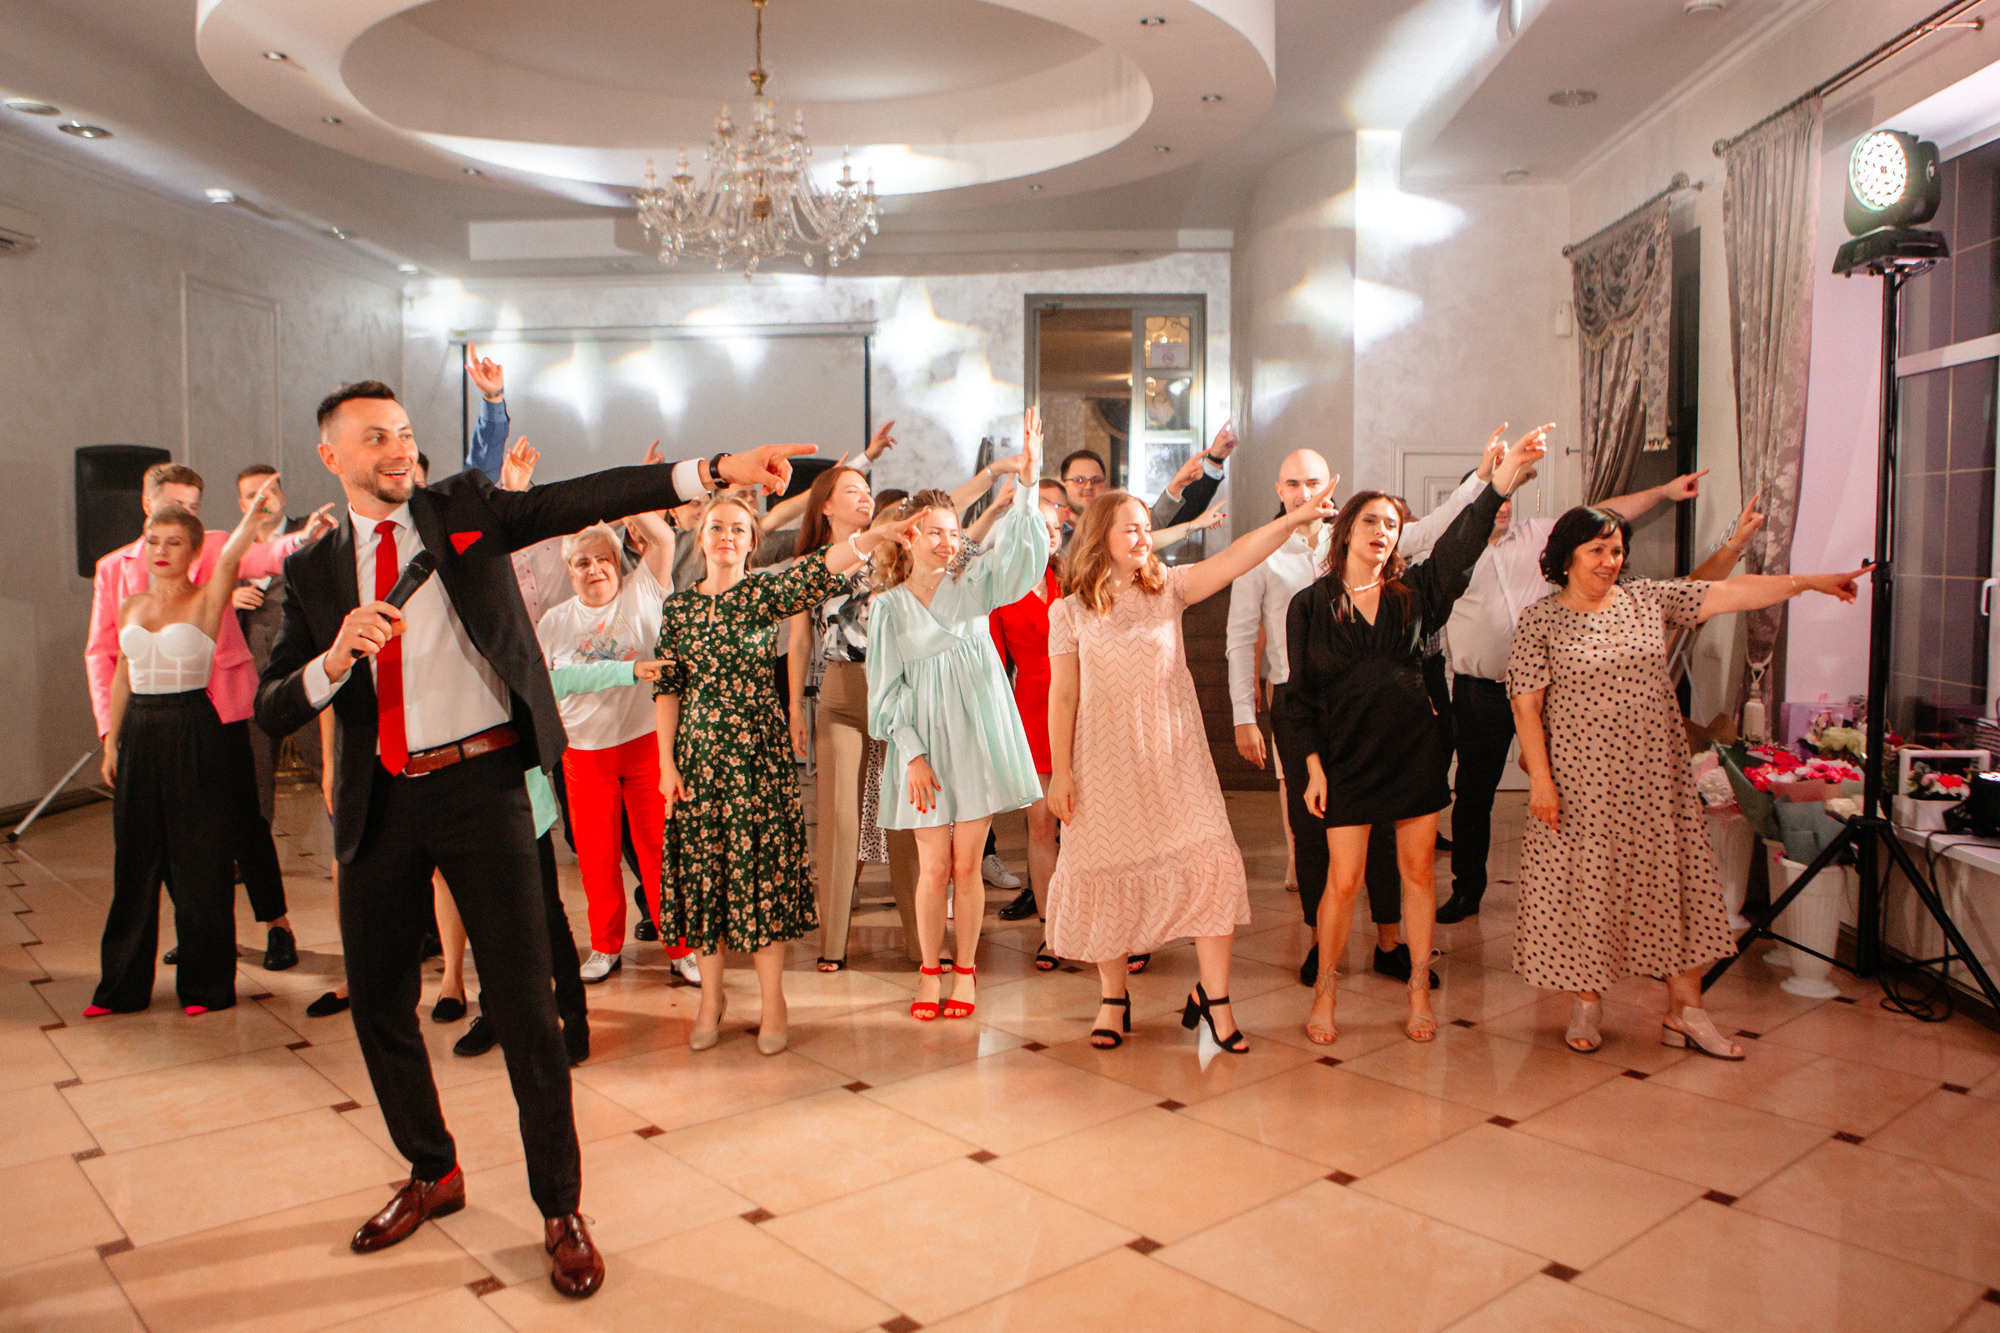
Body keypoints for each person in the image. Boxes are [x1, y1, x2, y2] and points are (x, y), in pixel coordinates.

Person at [256, 376, 812, 1297]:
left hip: (482, 787)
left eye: (402, 433)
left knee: (528, 1010)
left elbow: (580, 496)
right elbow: (274, 700)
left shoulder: (461, 507)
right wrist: (329, 657)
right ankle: (432, 1169)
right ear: (332, 456)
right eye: (373, 440)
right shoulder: (313, 569)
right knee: (381, 1007)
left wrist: (711, 469)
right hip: (380, 802)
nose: (396, 449)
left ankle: (560, 1206)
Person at [1507, 506, 1868, 1058]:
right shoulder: (1540, 621)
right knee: (1589, 885)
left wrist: (1813, 583)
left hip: (1656, 777)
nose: (1611, 561)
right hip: (1583, 780)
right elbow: (1527, 707)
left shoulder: (1646, 600)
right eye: (1597, 551)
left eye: (1617, 550)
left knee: (1677, 886)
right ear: (1566, 557)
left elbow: (1736, 592)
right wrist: (1542, 784)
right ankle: (1586, 1001)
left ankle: (1687, 1011)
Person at [1043, 475, 1338, 1054]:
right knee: (1108, 869)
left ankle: (1217, 1000)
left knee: (1212, 861)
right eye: (1133, 529)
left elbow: (1234, 557)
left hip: (1175, 753)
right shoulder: (1069, 611)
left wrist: (1292, 518)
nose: (1144, 538)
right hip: (1103, 758)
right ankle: (1113, 997)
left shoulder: (1169, 589)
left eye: (1148, 529)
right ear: (1102, 536)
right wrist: (1061, 772)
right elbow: (1063, 698)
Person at [1278, 427, 1548, 1046]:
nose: (1382, 532)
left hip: (1413, 755)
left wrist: (1497, 482)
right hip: (1345, 760)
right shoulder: (1310, 605)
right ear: (1345, 530)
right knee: (1342, 883)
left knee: (1419, 874)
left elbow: (1459, 547)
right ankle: (1325, 994)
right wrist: (1313, 768)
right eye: (1370, 521)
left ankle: (1420, 989)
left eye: (1392, 525)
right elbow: (1298, 701)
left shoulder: (1415, 595)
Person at [1227, 436, 1506, 991]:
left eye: (1314, 482)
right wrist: (1243, 713)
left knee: (1384, 830)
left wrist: (1484, 479)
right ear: (1279, 490)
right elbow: (1240, 638)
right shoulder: (1260, 551)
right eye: (1293, 483)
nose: (1304, 492)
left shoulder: (1360, 533)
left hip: (1372, 703)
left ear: (1331, 485)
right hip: (1299, 704)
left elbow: (1434, 532)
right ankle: (1319, 943)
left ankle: (1389, 939)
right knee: (1312, 833)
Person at [655, 490, 918, 1052]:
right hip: (699, 761)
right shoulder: (676, 609)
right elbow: (668, 690)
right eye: (716, 527)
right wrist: (665, 763)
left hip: (757, 758)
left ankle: (774, 1001)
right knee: (708, 880)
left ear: (752, 542)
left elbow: (823, 566)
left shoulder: (762, 591)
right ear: (700, 538)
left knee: (760, 878)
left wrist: (876, 537)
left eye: (738, 530)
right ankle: (711, 998)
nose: (726, 537)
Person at [1434, 477, 1763, 925]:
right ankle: (1467, 889)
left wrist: (1663, 492)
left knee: (1569, 794)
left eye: (1509, 498)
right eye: (1495, 500)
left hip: (1556, 693)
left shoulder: (1542, 537)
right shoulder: (1449, 553)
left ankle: (1582, 897)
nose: (1505, 507)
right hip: (1482, 691)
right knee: (1474, 794)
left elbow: (1607, 514)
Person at [86, 462, 332, 970]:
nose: (187, 514)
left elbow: (263, 551)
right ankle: (196, 931)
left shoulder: (213, 544)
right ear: (147, 504)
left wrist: (302, 537)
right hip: (153, 718)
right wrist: (112, 730)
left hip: (223, 706)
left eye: (195, 506)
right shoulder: (116, 567)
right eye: (177, 503)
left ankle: (276, 926)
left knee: (248, 820)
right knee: (172, 830)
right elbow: (103, 652)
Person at [867, 412, 1050, 1023]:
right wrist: (912, 754)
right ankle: (928, 971)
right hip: (923, 751)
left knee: (968, 865)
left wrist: (1028, 482)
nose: (946, 542)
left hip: (975, 737)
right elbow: (884, 693)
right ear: (907, 538)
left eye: (953, 531)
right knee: (933, 866)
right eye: (933, 532)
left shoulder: (976, 585)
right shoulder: (888, 608)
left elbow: (1024, 561)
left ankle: (966, 973)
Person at [537, 518, 677, 985]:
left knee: (658, 848)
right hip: (584, 753)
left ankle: (680, 946)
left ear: (619, 566)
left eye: (603, 559)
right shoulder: (555, 620)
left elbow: (663, 539)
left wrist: (627, 503)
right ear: (570, 572)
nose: (593, 568)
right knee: (595, 855)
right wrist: (626, 671)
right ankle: (604, 946)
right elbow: (550, 683)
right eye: (582, 562)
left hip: (643, 745)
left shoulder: (642, 593)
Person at [986, 491, 1068, 971]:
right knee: (1042, 825)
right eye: (1039, 525)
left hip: (1087, 707)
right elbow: (996, 667)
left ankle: (1112, 927)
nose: (1050, 532)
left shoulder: (1077, 578)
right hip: (1033, 712)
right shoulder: (999, 589)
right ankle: (1053, 931)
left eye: (1055, 525)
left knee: (1096, 826)